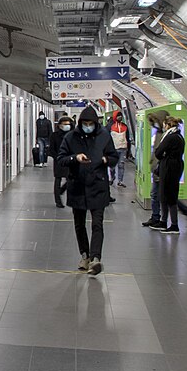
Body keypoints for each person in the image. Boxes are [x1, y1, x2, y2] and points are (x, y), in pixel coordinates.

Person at [58, 106, 118, 275]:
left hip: (98, 186)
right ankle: (84, 255)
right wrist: (75, 158)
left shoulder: (104, 136)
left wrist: (105, 159)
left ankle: (95, 258)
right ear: (80, 123)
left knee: (97, 223)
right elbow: (61, 159)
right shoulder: (71, 138)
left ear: (96, 123)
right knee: (79, 224)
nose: (88, 126)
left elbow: (114, 157)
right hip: (77, 186)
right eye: (85, 123)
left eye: (91, 123)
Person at [152, 116, 187, 234]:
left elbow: (158, 152)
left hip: (168, 167)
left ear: (168, 125)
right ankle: (166, 222)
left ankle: (172, 224)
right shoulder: (179, 136)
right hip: (177, 166)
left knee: (167, 195)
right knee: (171, 194)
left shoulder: (170, 137)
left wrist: (162, 155)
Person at [48, 115, 73, 208]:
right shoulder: (54, 135)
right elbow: (51, 149)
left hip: (70, 160)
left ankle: (62, 190)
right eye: (64, 124)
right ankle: (58, 201)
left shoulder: (73, 135)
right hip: (58, 160)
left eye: (68, 124)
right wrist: (57, 157)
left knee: (70, 179)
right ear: (59, 125)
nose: (66, 126)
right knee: (58, 179)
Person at [109, 113, 129, 188]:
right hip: (113, 149)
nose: (119, 117)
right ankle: (112, 177)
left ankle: (120, 181)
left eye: (120, 115)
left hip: (123, 148)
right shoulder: (110, 127)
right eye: (118, 116)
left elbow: (127, 137)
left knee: (121, 165)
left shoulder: (125, 126)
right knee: (112, 166)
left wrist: (128, 149)